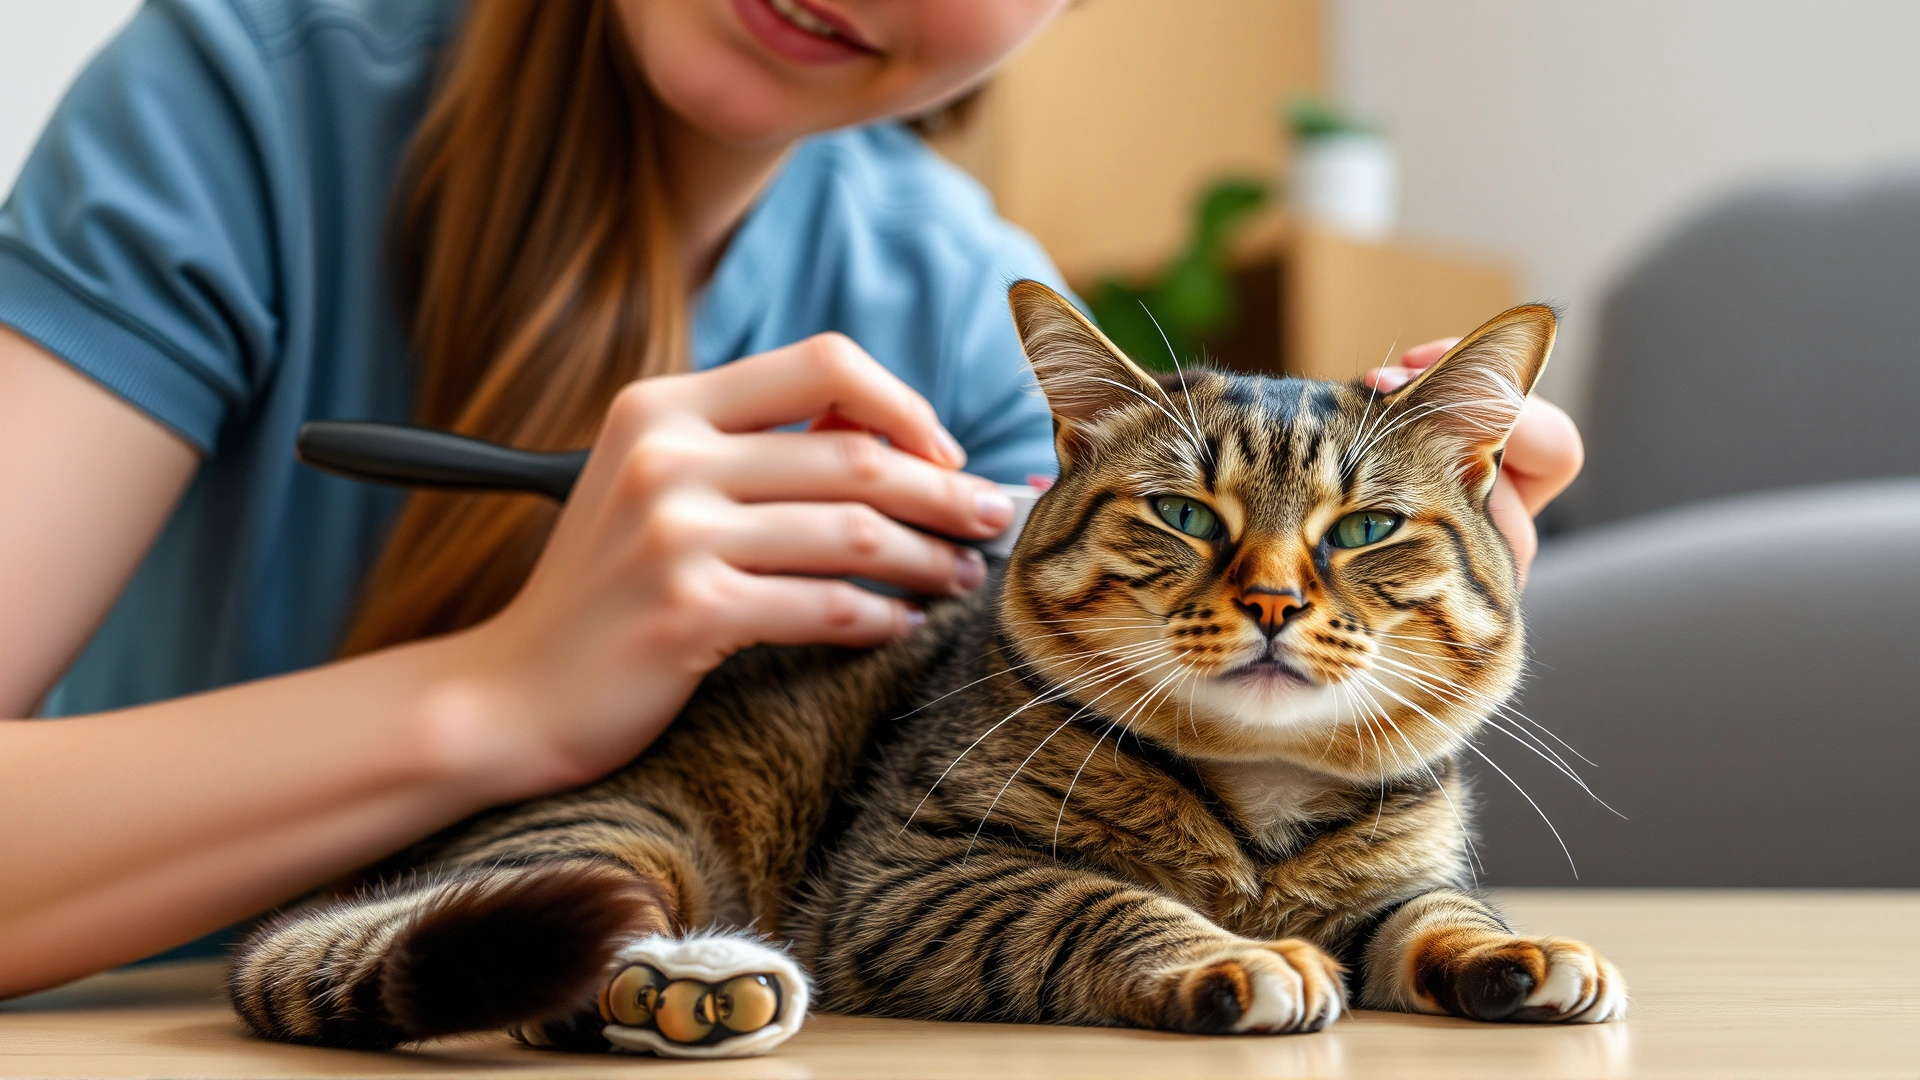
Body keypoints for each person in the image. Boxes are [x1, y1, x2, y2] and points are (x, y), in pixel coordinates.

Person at [0, 0, 1583, 998]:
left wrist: (1412, 645)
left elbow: (1079, 778)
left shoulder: (973, 301)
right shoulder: (233, 96)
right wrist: (513, 694)